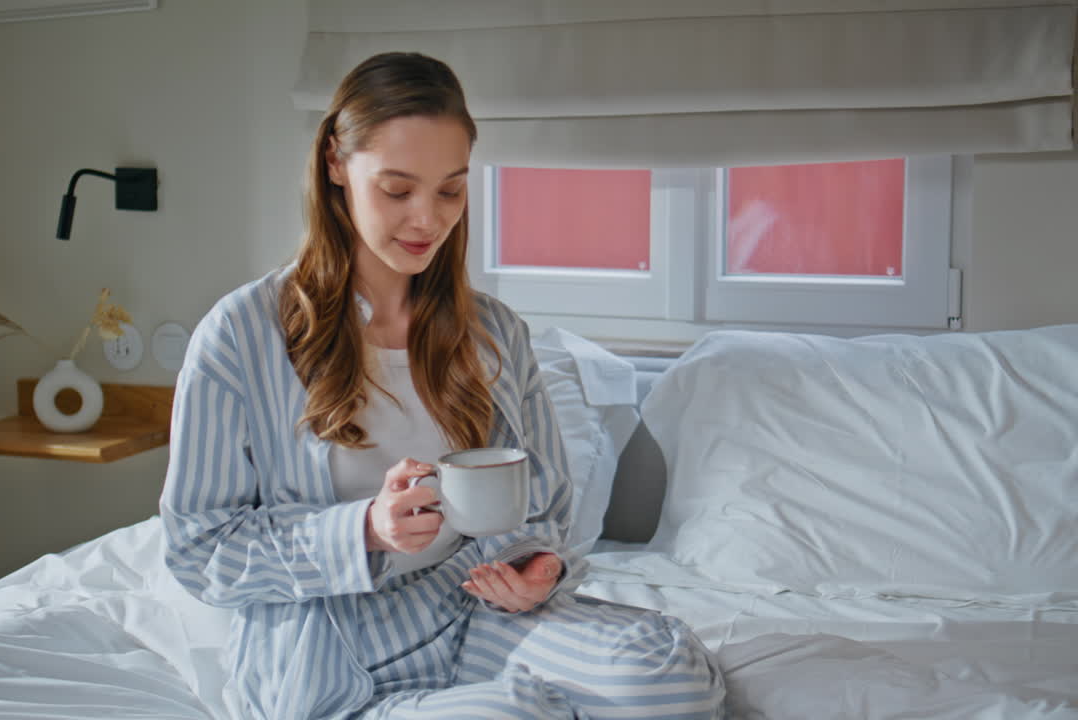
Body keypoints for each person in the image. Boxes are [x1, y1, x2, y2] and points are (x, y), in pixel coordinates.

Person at [160, 51, 725, 719]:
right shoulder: (240, 336)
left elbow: (543, 506)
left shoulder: (494, 332)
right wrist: (364, 530)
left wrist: (538, 569)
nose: (427, 220)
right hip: (334, 646)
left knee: (668, 679)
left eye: (450, 190)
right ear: (336, 165)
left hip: (474, 607)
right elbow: (199, 550)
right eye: (397, 189)